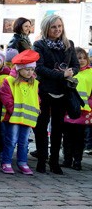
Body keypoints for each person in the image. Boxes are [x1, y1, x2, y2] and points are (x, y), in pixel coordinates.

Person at [33, 14, 80, 174]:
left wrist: (71, 71)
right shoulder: (39, 45)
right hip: (44, 90)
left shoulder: (69, 44)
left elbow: (75, 65)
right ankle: (41, 159)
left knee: (58, 128)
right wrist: (61, 74)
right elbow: (39, 67)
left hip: (62, 91)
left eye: (59, 26)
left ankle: (54, 161)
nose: (57, 29)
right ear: (47, 28)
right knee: (41, 126)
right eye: (54, 27)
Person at [0, 50, 41, 175]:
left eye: (32, 70)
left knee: (24, 141)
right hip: (13, 117)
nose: (30, 72)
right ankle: (6, 161)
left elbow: (36, 97)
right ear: (19, 69)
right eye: (27, 69)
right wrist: (13, 109)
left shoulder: (34, 83)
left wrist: (38, 107)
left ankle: (22, 162)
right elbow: (6, 97)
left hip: (27, 117)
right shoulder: (9, 81)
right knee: (11, 140)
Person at [63, 47, 92, 170]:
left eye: (84, 58)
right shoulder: (69, 72)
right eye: (78, 58)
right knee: (67, 136)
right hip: (68, 109)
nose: (81, 61)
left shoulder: (90, 73)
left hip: (83, 109)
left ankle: (77, 161)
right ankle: (67, 159)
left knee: (79, 137)